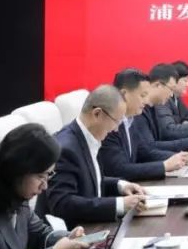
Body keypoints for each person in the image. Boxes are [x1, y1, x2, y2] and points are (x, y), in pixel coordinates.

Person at [40, 84, 146, 224]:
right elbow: (63, 204)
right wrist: (120, 204)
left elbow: (90, 182)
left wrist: (121, 185)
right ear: (97, 114)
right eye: (116, 121)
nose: (116, 129)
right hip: (71, 232)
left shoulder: (88, 137)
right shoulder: (66, 149)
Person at [100, 68, 188, 181]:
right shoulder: (109, 124)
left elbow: (144, 152)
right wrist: (164, 166)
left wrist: (177, 157)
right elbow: (118, 170)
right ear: (124, 94)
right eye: (142, 95)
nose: (145, 101)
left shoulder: (130, 119)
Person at [141, 64, 188, 151]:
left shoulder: (161, 102)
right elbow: (161, 138)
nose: (171, 94)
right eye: (171, 89)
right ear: (158, 85)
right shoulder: (144, 109)